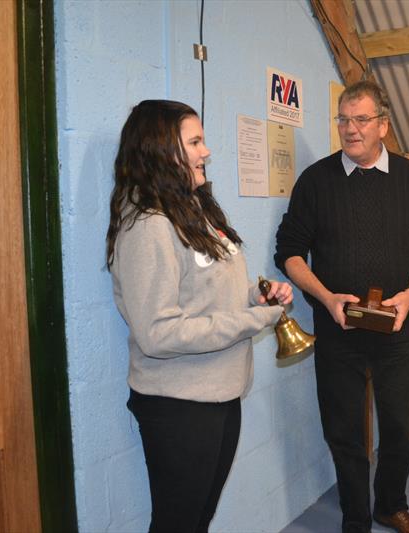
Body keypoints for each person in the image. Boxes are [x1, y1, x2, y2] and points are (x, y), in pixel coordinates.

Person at [106, 99, 293, 533]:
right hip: (180, 407)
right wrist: (255, 320)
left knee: (198, 519)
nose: (206, 151)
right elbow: (158, 333)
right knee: (179, 523)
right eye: (195, 142)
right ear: (160, 150)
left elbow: (205, 290)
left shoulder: (192, 209)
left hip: (220, 393)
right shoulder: (148, 224)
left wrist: (256, 297)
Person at [275, 81, 409, 533]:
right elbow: (289, 250)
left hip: (396, 331)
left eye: (361, 120)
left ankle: (390, 504)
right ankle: (355, 518)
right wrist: (326, 297)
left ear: (383, 126)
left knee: (395, 430)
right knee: (344, 433)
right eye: (343, 120)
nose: (350, 130)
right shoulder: (315, 181)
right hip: (338, 332)